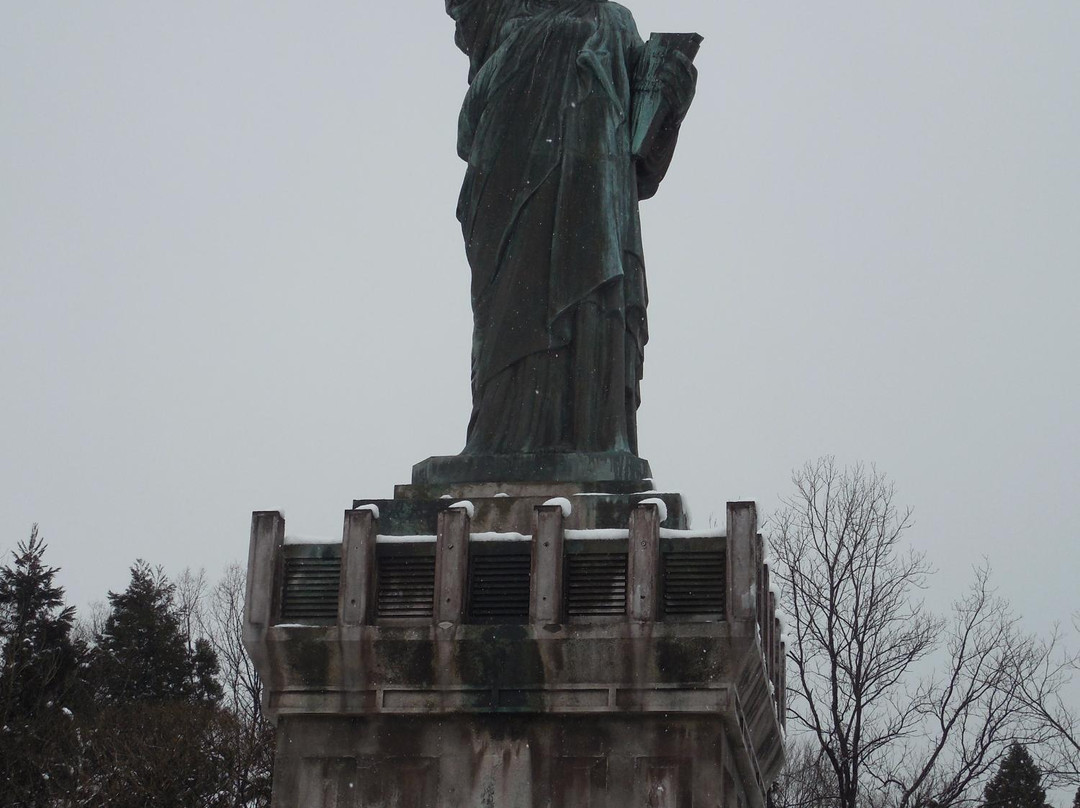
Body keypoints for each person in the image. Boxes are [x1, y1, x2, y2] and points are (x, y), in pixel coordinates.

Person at [445, 0, 697, 456]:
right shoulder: (506, 14)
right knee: (511, 313)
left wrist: (672, 91)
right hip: (511, 180)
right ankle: (499, 440)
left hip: (592, 189)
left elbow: (645, 125)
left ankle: (593, 439)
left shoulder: (614, 21)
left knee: (591, 300)